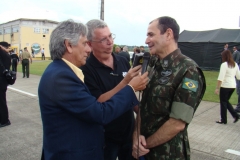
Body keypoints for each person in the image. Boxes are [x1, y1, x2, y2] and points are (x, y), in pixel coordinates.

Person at [38, 19, 148, 160]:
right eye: (84, 43)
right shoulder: (61, 77)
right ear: (69, 45)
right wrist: (131, 87)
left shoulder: (63, 72)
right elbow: (99, 113)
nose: (88, 49)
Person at [132, 16, 206, 160]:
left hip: (168, 154)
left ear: (168, 34)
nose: (146, 41)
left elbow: (177, 123)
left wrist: (145, 145)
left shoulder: (189, 70)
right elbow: (143, 106)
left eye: (151, 35)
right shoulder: (153, 65)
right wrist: (136, 135)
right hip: (143, 151)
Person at [81, 19, 141, 160]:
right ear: (89, 44)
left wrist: (140, 110)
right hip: (105, 138)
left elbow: (131, 95)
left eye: (110, 36)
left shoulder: (122, 61)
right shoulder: (86, 69)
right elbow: (99, 102)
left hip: (128, 132)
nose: (110, 42)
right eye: (103, 39)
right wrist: (127, 83)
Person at [214, 50, 240, 124]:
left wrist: (217, 88)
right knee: (225, 101)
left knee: (223, 102)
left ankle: (223, 119)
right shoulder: (235, 64)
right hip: (232, 86)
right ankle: (235, 115)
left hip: (225, 86)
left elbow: (220, 78)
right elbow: (238, 76)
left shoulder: (224, 65)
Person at [0, 42, 12, 128]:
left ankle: (4, 120)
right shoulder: (6, 55)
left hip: (1, 80)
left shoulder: (3, 54)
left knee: (1, 102)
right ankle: (3, 120)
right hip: (3, 80)